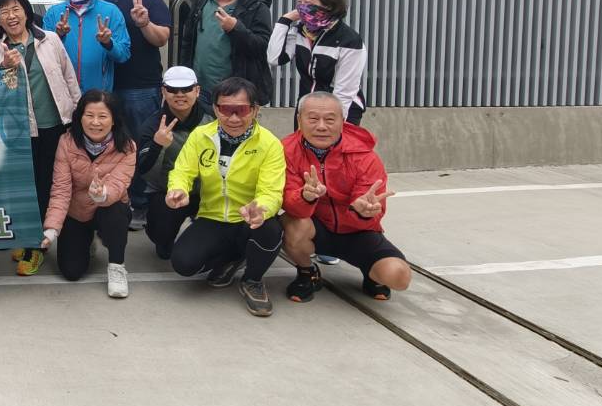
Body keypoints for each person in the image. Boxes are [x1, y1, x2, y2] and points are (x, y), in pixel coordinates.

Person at [164, 76, 286, 317]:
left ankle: (253, 280)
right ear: (216, 109)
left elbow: (272, 191)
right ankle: (233, 258)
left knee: (270, 229)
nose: (233, 118)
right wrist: (178, 189)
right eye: (226, 110)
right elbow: (183, 171)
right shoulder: (201, 135)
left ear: (255, 110)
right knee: (183, 264)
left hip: (248, 219)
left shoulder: (270, 144)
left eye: (241, 110)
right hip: (212, 216)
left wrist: (261, 208)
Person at [0, 0, 80, 276]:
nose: (11, 16)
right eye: (3, 12)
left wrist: (77, 114)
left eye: (16, 9)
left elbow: (69, 77)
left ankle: (37, 246)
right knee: (26, 189)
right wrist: (5, 69)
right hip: (20, 131)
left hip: (56, 125)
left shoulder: (50, 40)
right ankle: (30, 240)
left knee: (48, 186)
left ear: (26, 11)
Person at [281, 91, 408, 302]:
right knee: (292, 225)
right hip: (316, 227)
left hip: (358, 231)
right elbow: (288, 202)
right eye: (313, 118)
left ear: (343, 120)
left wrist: (362, 210)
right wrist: (305, 196)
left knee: (399, 277)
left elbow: (373, 208)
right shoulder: (285, 151)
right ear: (299, 120)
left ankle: (372, 274)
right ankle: (307, 272)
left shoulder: (364, 155)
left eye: (330, 119)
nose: (321, 126)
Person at [38, 90, 137, 298]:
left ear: (113, 120)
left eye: (102, 116)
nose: (95, 122)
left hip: (107, 207)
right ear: (80, 117)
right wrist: (52, 228)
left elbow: (118, 185)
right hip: (77, 211)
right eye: (89, 115)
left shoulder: (127, 147)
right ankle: (86, 240)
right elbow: (61, 189)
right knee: (71, 272)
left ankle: (117, 266)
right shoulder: (66, 142)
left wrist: (102, 194)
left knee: (117, 212)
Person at [103, 0, 173, 230]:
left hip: (141, 88)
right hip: (108, 87)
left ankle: (142, 204)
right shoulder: (106, 3)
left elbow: (162, 38)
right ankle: (122, 199)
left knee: (141, 146)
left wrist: (144, 23)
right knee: (115, 147)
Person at [269, 0, 368, 125]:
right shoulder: (300, 31)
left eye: (308, 2)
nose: (302, 7)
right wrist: (285, 20)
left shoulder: (349, 41)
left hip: (341, 110)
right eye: (300, 2)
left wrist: (334, 123)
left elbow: (345, 91)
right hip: (307, 106)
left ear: (328, 5)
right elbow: (274, 58)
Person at [133, 66, 209, 260]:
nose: (180, 94)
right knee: (161, 237)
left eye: (186, 89)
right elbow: (145, 173)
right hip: (168, 192)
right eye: (173, 89)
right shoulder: (151, 125)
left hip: (210, 192)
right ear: (163, 91)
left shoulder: (213, 119)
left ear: (197, 90)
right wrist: (158, 146)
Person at [177, 0, 274, 105]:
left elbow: (261, 47)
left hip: (236, 94)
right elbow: (187, 43)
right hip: (199, 91)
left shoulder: (256, 6)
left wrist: (235, 28)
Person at [43, 0, 130, 93]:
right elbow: (44, 56)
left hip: (98, 96)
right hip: (62, 94)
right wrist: (59, 36)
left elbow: (123, 55)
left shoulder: (111, 12)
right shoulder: (53, 13)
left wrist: (108, 43)